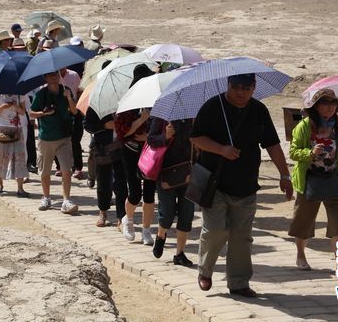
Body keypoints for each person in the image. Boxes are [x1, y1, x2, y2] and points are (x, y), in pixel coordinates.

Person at [192, 73, 294, 297]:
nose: (241, 93)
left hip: (246, 184)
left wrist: (285, 176)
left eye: (246, 88)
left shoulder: (258, 110)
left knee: (241, 236)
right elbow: (196, 138)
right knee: (216, 230)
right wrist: (221, 149)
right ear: (228, 85)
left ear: (254, 87)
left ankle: (238, 283)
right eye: (236, 87)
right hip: (215, 183)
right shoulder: (212, 107)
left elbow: (272, 144)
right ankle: (205, 270)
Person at [288, 88, 338, 270]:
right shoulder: (305, 126)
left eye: (333, 103)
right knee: (304, 221)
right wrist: (310, 153)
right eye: (325, 103)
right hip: (310, 179)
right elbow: (293, 153)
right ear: (316, 106)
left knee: (337, 223)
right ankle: (300, 255)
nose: (330, 107)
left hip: (333, 179)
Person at [115, 65, 157, 246]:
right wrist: (141, 119)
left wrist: (148, 136)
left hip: (149, 151)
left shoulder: (155, 100)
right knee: (135, 192)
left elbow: (161, 127)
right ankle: (128, 220)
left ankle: (146, 230)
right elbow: (122, 132)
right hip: (130, 151)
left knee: (149, 193)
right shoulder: (126, 102)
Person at [147, 115, 196, 267]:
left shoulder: (192, 116)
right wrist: (165, 137)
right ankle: (161, 236)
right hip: (166, 173)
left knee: (186, 214)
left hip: (188, 172)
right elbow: (151, 140)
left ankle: (179, 254)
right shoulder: (162, 116)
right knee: (167, 213)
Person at [30, 71, 79, 214]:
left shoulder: (66, 91)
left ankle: (66, 200)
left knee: (66, 170)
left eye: (56, 75)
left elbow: (75, 111)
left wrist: (69, 98)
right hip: (45, 138)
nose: (54, 77)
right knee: (45, 172)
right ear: (45, 78)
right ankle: (46, 197)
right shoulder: (41, 94)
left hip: (63, 137)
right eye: (51, 75)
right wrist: (44, 113)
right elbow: (32, 113)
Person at [85, 107, 127, 228]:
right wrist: (104, 126)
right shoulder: (98, 104)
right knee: (103, 182)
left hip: (121, 148)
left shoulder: (126, 103)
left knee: (121, 184)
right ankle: (103, 212)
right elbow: (87, 125)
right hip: (103, 149)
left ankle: (121, 216)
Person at [0, 92, 30, 196]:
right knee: (0, 157)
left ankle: (20, 188)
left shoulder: (20, 95)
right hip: (3, 128)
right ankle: (0, 184)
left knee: (19, 158)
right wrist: (3, 107)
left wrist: (15, 106)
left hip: (17, 129)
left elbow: (23, 112)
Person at [58, 67, 85, 180]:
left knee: (75, 140)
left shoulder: (74, 75)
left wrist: (78, 105)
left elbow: (80, 91)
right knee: (59, 140)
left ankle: (77, 167)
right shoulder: (52, 75)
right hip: (59, 112)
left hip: (74, 111)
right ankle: (60, 166)